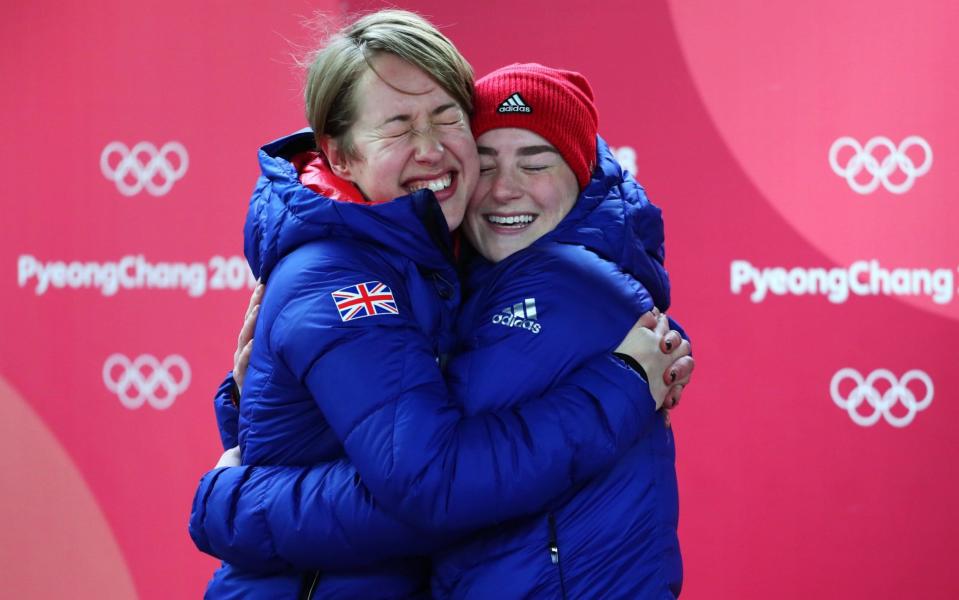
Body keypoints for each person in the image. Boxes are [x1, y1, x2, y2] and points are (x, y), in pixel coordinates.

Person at [190, 11, 692, 599]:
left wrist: (237, 493)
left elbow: (427, 468)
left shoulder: (470, 270)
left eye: (446, 117)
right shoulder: (352, 273)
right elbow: (440, 481)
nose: (429, 147)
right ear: (340, 155)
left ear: (582, 177)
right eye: (398, 126)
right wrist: (626, 383)